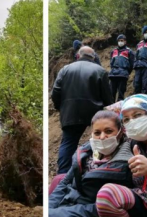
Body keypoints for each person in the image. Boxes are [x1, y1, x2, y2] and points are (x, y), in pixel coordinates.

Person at [49, 111, 133, 217]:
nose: (102, 137)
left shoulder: (125, 164)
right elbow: (66, 181)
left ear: (120, 132)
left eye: (108, 131)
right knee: (59, 179)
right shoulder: (86, 151)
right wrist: (49, 207)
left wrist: (56, 213)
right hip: (69, 201)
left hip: (90, 209)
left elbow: (103, 206)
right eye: (97, 133)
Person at [51, 46, 114, 174]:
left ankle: (62, 175)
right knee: (97, 141)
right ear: (94, 57)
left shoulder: (65, 70)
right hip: (93, 113)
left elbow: (55, 92)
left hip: (70, 112)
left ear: (78, 56)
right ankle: (93, 170)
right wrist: (108, 114)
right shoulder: (100, 71)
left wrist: (61, 108)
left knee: (68, 143)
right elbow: (107, 97)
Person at [109, 34, 135, 102]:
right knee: (111, 94)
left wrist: (126, 72)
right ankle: (111, 109)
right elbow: (111, 63)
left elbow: (132, 64)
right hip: (113, 75)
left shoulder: (129, 51)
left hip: (123, 75)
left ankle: (119, 109)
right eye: (119, 40)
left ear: (125, 41)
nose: (120, 42)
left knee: (121, 94)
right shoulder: (113, 51)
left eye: (122, 40)